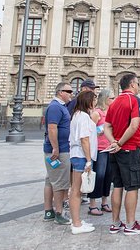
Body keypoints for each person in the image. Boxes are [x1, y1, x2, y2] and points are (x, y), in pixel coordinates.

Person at [104, 73, 140, 235]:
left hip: (115, 150)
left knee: (117, 185)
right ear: (131, 84)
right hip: (129, 148)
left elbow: (106, 126)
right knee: (132, 186)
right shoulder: (135, 100)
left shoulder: (114, 102)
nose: (138, 86)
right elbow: (134, 125)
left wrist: (114, 142)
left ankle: (115, 223)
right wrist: (121, 143)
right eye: (137, 83)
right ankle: (130, 224)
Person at [43, 82, 73, 225]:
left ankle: (48, 211)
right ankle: (59, 213)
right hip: (59, 150)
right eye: (68, 91)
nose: (71, 94)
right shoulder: (55, 107)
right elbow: (52, 128)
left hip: (58, 148)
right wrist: (56, 148)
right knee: (60, 183)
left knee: (51, 181)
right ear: (60, 92)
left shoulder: (60, 106)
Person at [69, 91, 98, 234]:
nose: (95, 102)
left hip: (78, 155)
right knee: (76, 190)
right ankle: (76, 224)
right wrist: (88, 160)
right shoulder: (83, 117)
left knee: (77, 190)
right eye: (94, 99)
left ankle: (77, 221)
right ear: (88, 101)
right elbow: (84, 139)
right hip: (81, 156)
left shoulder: (77, 115)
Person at [88, 88, 115, 216]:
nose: (113, 100)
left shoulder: (111, 112)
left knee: (108, 176)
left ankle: (104, 202)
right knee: (98, 175)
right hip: (100, 149)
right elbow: (89, 131)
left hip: (110, 148)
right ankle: (92, 204)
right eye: (112, 98)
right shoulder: (96, 113)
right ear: (105, 99)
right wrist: (99, 131)